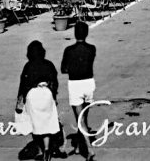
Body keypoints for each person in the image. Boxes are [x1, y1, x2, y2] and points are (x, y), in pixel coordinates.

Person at [17, 40, 61, 161]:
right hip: (46, 93)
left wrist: (20, 102)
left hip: (33, 95)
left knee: (36, 124)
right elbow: (55, 83)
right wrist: (53, 97)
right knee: (47, 123)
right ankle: (47, 149)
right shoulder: (49, 64)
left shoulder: (28, 66)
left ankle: (41, 148)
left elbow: (23, 85)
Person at [61, 22, 97, 156]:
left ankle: (88, 148)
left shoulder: (68, 50)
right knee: (83, 117)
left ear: (75, 34)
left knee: (80, 119)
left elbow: (63, 69)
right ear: (86, 34)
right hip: (89, 83)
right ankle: (78, 144)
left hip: (75, 84)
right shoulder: (92, 49)